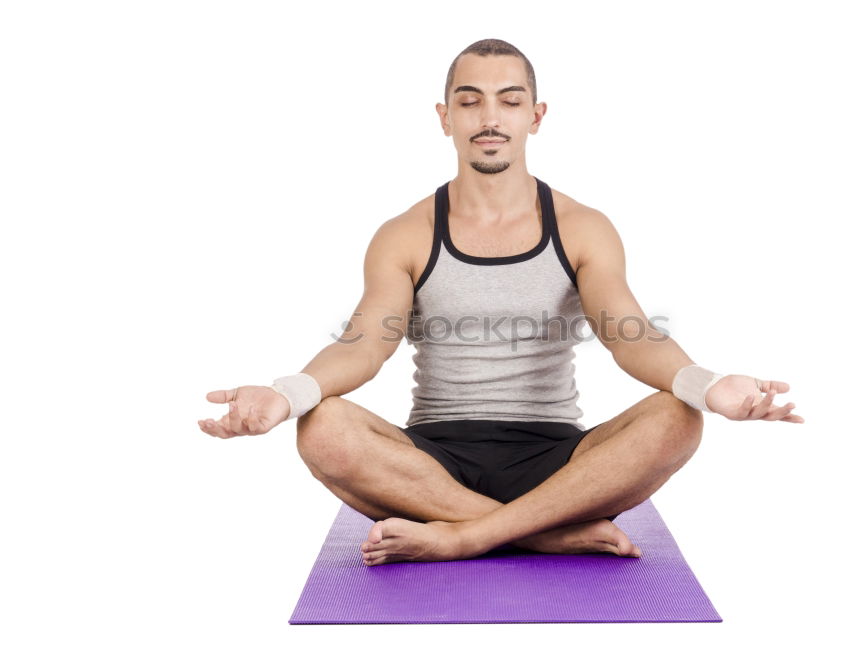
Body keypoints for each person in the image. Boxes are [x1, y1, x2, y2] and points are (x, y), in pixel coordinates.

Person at [197, 38, 804, 567]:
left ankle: (471, 536)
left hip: (559, 460)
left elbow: (631, 333)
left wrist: (708, 383)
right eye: (470, 100)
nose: (490, 117)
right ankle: (543, 535)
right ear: (444, 117)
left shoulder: (582, 226)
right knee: (321, 426)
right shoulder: (405, 232)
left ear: (535, 116)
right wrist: (285, 393)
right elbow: (363, 342)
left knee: (679, 417)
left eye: (509, 100)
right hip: (432, 465)